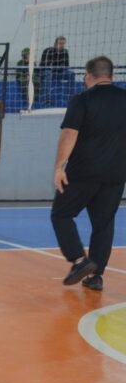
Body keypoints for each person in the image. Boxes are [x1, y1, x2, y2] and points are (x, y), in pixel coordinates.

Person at [51, 56, 126, 292]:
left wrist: (59, 166)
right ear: (112, 76)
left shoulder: (82, 99)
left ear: (88, 75)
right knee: (104, 224)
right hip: (115, 174)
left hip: (83, 172)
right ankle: (96, 276)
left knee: (61, 214)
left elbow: (69, 134)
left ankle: (79, 260)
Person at [40, 36, 74, 107]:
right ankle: (46, 99)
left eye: (63, 43)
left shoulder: (65, 52)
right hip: (47, 71)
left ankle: (71, 97)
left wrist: (59, 67)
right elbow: (45, 65)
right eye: (60, 43)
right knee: (48, 73)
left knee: (71, 74)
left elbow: (66, 65)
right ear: (55, 44)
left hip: (59, 72)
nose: (62, 45)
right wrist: (57, 65)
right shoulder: (48, 51)